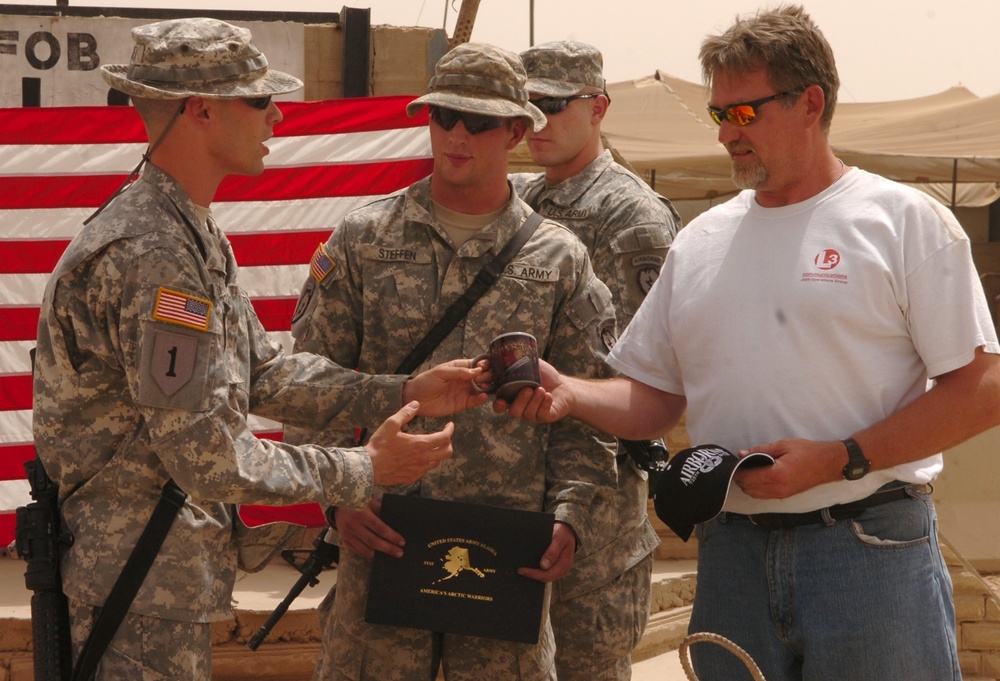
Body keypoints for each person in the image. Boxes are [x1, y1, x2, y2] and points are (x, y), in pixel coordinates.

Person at [498, 6, 1000, 681]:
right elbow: (654, 396)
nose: (726, 134)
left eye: (743, 113)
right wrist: (571, 392)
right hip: (731, 555)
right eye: (718, 115)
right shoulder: (700, 241)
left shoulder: (902, 222)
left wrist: (840, 457)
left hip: (866, 552)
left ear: (811, 103)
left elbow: (981, 386)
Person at [31, 18, 488, 680]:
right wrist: (364, 467)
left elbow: (265, 372)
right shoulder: (153, 252)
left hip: (155, 584)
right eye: (257, 99)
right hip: (131, 593)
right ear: (202, 109)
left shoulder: (190, 235)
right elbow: (208, 456)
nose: (276, 113)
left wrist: (403, 390)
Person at [287, 42, 619, 680]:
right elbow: (307, 384)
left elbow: (587, 409)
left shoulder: (559, 259)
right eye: (445, 117)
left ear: (518, 129)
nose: (458, 134)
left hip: (506, 556)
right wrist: (338, 496)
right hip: (383, 543)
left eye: (481, 122)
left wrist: (571, 518)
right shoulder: (364, 239)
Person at [511, 40, 681, 681]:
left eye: (553, 106)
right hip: (515, 484)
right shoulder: (517, 200)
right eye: (525, 108)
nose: (537, 122)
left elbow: (637, 373)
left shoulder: (630, 216)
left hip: (597, 511)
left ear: (599, 107)